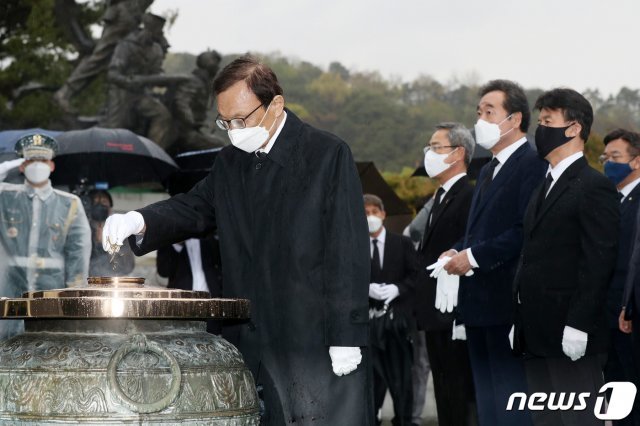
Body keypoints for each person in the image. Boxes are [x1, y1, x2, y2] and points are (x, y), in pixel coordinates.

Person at [102, 55, 372, 425]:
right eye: (224, 122)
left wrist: (346, 332)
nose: (232, 130)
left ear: (276, 103)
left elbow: (348, 249)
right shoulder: (231, 162)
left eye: (240, 120)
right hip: (253, 337)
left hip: (313, 337)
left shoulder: (325, 154)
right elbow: (195, 206)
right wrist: (139, 219)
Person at [435, 80, 546, 426]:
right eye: (478, 111)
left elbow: (523, 230)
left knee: (511, 396)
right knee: (486, 396)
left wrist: (475, 257)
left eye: (489, 111)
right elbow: (476, 231)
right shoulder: (486, 170)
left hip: (507, 300)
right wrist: (459, 249)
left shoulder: (532, 164)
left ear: (514, 120)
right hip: (477, 301)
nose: (480, 119)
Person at [512, 88, 619, 426]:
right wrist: (519, 314)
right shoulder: (543, 184)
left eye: (548, 121)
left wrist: (579, 323)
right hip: (536, 330)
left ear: (574, 128)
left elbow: (598, 261)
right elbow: (530, 253)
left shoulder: (593, 186)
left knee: (578, 420)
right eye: (539, 121)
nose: (540, 129)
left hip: (570, 333)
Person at [0, 133, 91, 339]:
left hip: (51, 292)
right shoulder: (5, 196)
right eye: (32, 160)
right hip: (9, 292)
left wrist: (74, 297)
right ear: (22, 166)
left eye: (42, 160)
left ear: (51, 165)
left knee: (48, 347)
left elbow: (78, 253)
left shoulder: (70, 204)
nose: (37, 166)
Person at [416, 122, 476, 426]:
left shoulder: (469, 195)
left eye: (436, 147)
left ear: (458, 153)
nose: (429, 154)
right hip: (434, 313)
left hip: (455, 313)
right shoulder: (439, 197)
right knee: (444, 392)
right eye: (429, 147)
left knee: (460, 392)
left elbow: (469, 244)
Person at [365, 193, 418, 426]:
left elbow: (416, 276)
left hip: (398, 325)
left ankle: (404, 420)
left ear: (383, 214)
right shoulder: (353, 246)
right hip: (368, 326)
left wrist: (398, 289)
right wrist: (365, 289)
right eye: (365, 213)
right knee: (372, 382)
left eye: (374, 212)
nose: (370, 217)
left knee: (401, 380)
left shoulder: (402, 243)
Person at [54, 0, 154, 113]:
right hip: (124, 15)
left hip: (132, 14)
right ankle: (65, 92)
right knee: (100, 58)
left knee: (122, 60)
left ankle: (109, 106)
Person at [602, 129, 640, 426]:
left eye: (616, 157)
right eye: (606, 157)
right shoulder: (611, 200)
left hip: (629, 314)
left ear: (636, 161)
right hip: (607, 314)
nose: (608, 164)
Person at [87, 189, 135, 277]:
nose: (100, 206)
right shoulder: (83, 230)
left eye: (104, 202)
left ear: (110, 208)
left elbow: (128, 266)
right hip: (87, 282)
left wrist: (108, 246)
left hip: (113, 282)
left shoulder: (120, 231)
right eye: (96, 202)